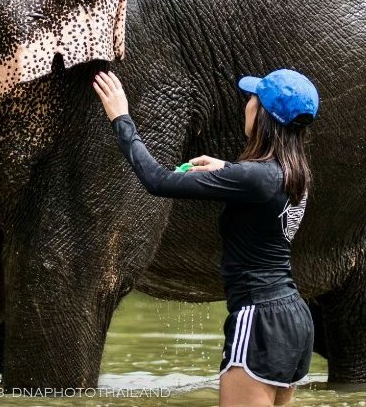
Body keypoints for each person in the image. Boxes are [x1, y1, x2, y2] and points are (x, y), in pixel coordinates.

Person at [92, 68, 318, 407]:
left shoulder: (254, 178)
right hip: (295, 319)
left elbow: (158, 181)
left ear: (263, 116)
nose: (247, 106)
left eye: (252, 100)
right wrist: (226, 168)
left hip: (259, 321)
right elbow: (261, 187)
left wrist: (121, 118)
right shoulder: (297, 175)